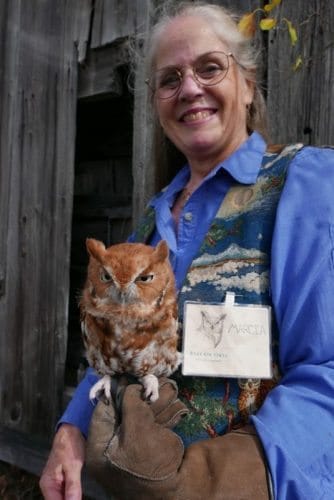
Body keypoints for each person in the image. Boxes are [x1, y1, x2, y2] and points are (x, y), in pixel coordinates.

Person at [40, 1, 334, 499]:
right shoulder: (148, 225)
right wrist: (71, 429)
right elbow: (117, 345)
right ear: (156, 101)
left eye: (210, 68)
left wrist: (224, 479)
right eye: (170, 78)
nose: (190, 88)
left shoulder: (305, 186)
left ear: (247, 82)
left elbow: (326, 369)